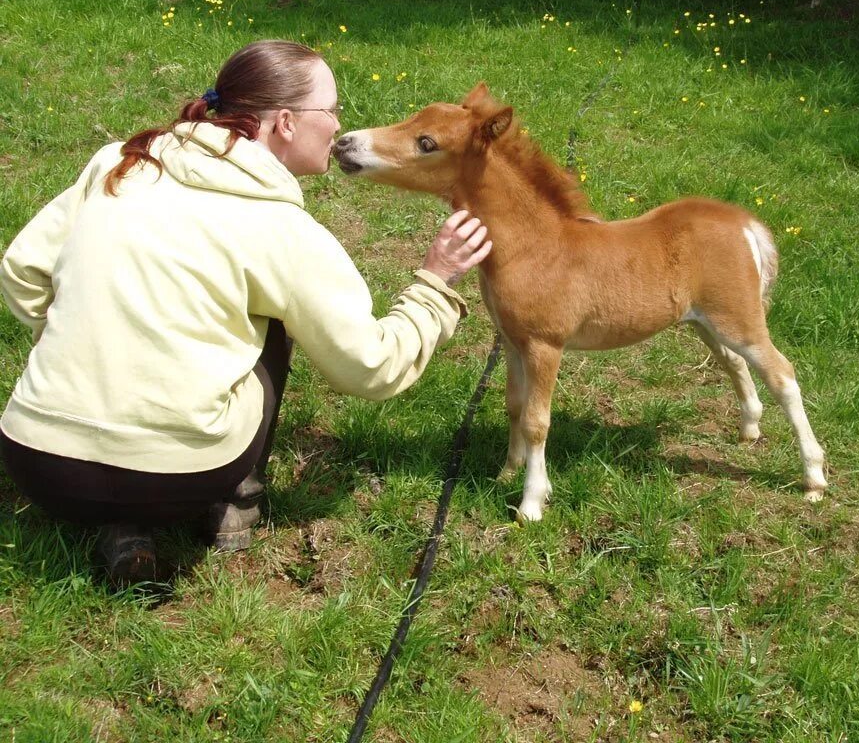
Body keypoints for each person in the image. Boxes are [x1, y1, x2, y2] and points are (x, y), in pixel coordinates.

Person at [0, 40, 491, 587]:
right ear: (285, 122)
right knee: (275, 318)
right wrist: (435, 285)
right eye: (331, 110)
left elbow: (21, 272)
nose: (338, 126)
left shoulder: (120, 161)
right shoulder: (282, 231)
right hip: (179, 476)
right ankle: (234, 499)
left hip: (36, 461)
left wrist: (81, 335)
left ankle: (123, 524)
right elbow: (370, 367)